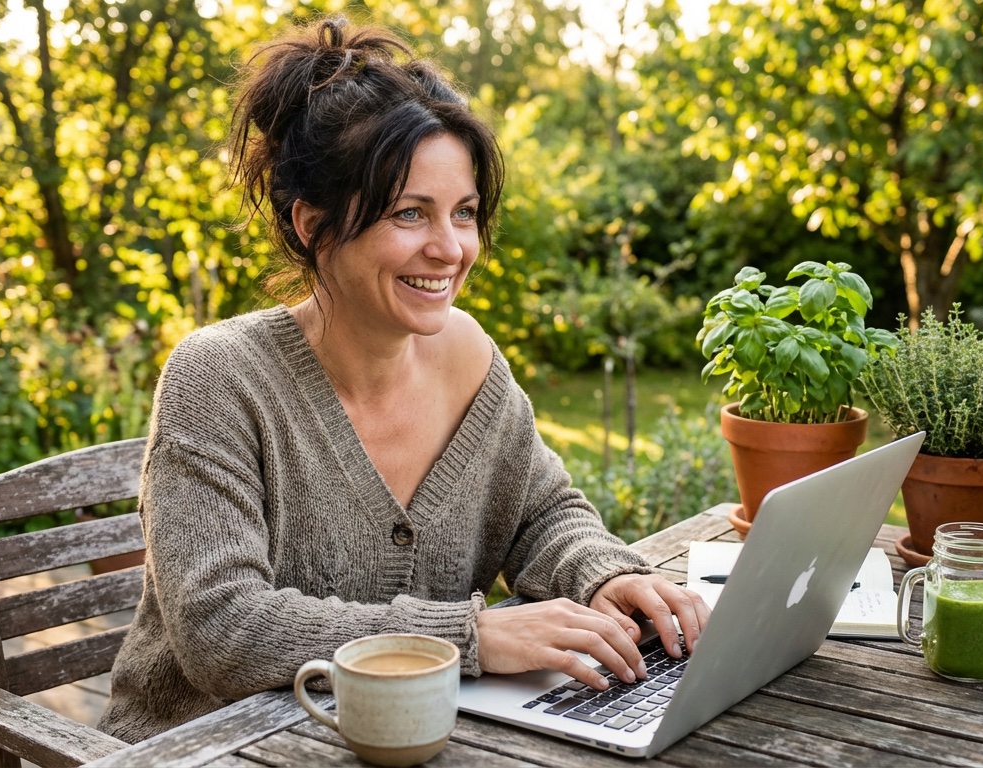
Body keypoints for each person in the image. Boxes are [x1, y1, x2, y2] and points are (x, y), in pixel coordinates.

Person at [97, 17, 710, 743]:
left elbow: (539, 511)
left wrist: (603, 575)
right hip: (206, 747)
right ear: (310, 223)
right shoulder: (221, 377)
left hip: (398, 741)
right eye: (410, 213)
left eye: (465, 213)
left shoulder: (470, 358)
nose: (450, 249)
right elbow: (222, 628)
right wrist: (468, 638)